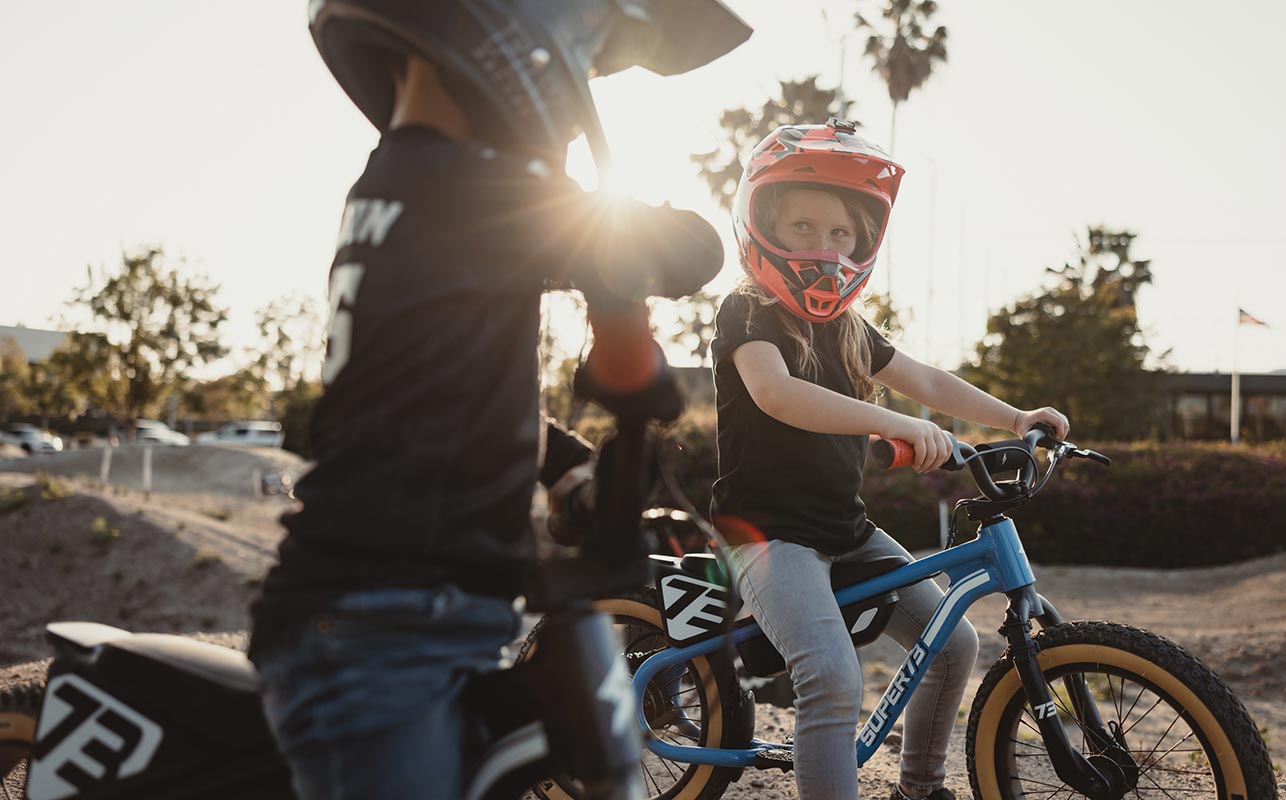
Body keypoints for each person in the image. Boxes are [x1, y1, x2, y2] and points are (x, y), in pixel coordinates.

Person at [247, 2, 750, 798]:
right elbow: (687, 247)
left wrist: (566, 465)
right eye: (583, 60)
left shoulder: (405, 177)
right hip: (378, 632)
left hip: (399, 615)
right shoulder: (475, 189)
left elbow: (430, 392)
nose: (579, 83)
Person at [709, 119, 1070, 800]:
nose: (825, 247)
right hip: (765, 536)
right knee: (832, 677)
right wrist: (893, 419)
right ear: (761, 227)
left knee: (954, 644)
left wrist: (1018, 418)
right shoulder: (746, 312)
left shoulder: (848, 329)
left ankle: (919, 789)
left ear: (865, 239)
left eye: (841, 234)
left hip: (844, 530)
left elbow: (929, 382)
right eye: (804, 229)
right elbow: (778, 394)